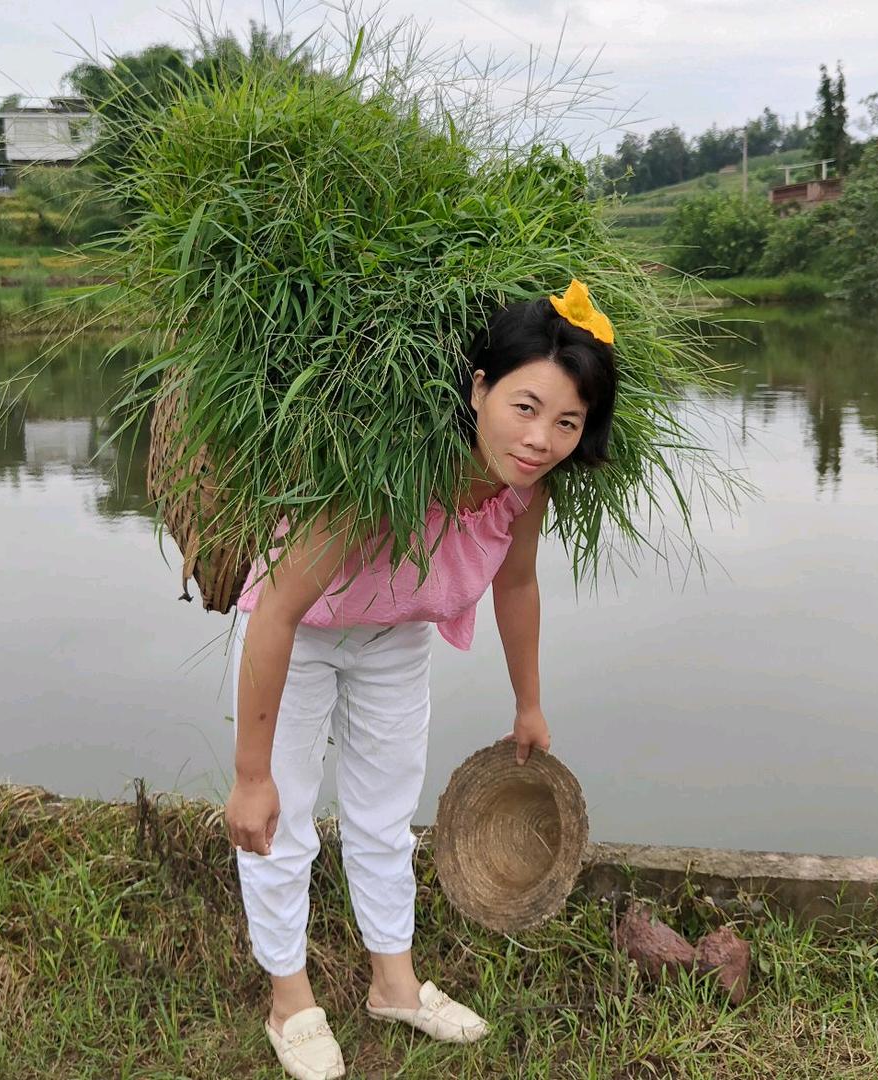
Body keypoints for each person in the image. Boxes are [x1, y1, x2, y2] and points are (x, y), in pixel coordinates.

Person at [224, 281, 618, 1080]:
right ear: (479, 388)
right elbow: (274, 613)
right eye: (526, 407)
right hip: (299, 636)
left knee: (384, 815)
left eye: (567, 422)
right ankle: (289, 1000)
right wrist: (250, 774)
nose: (541, 438)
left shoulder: (524, 490)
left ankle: (393, 984)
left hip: (396, 637)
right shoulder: (386, 475)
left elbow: (516, 585)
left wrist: (530, 701)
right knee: (280, 822)